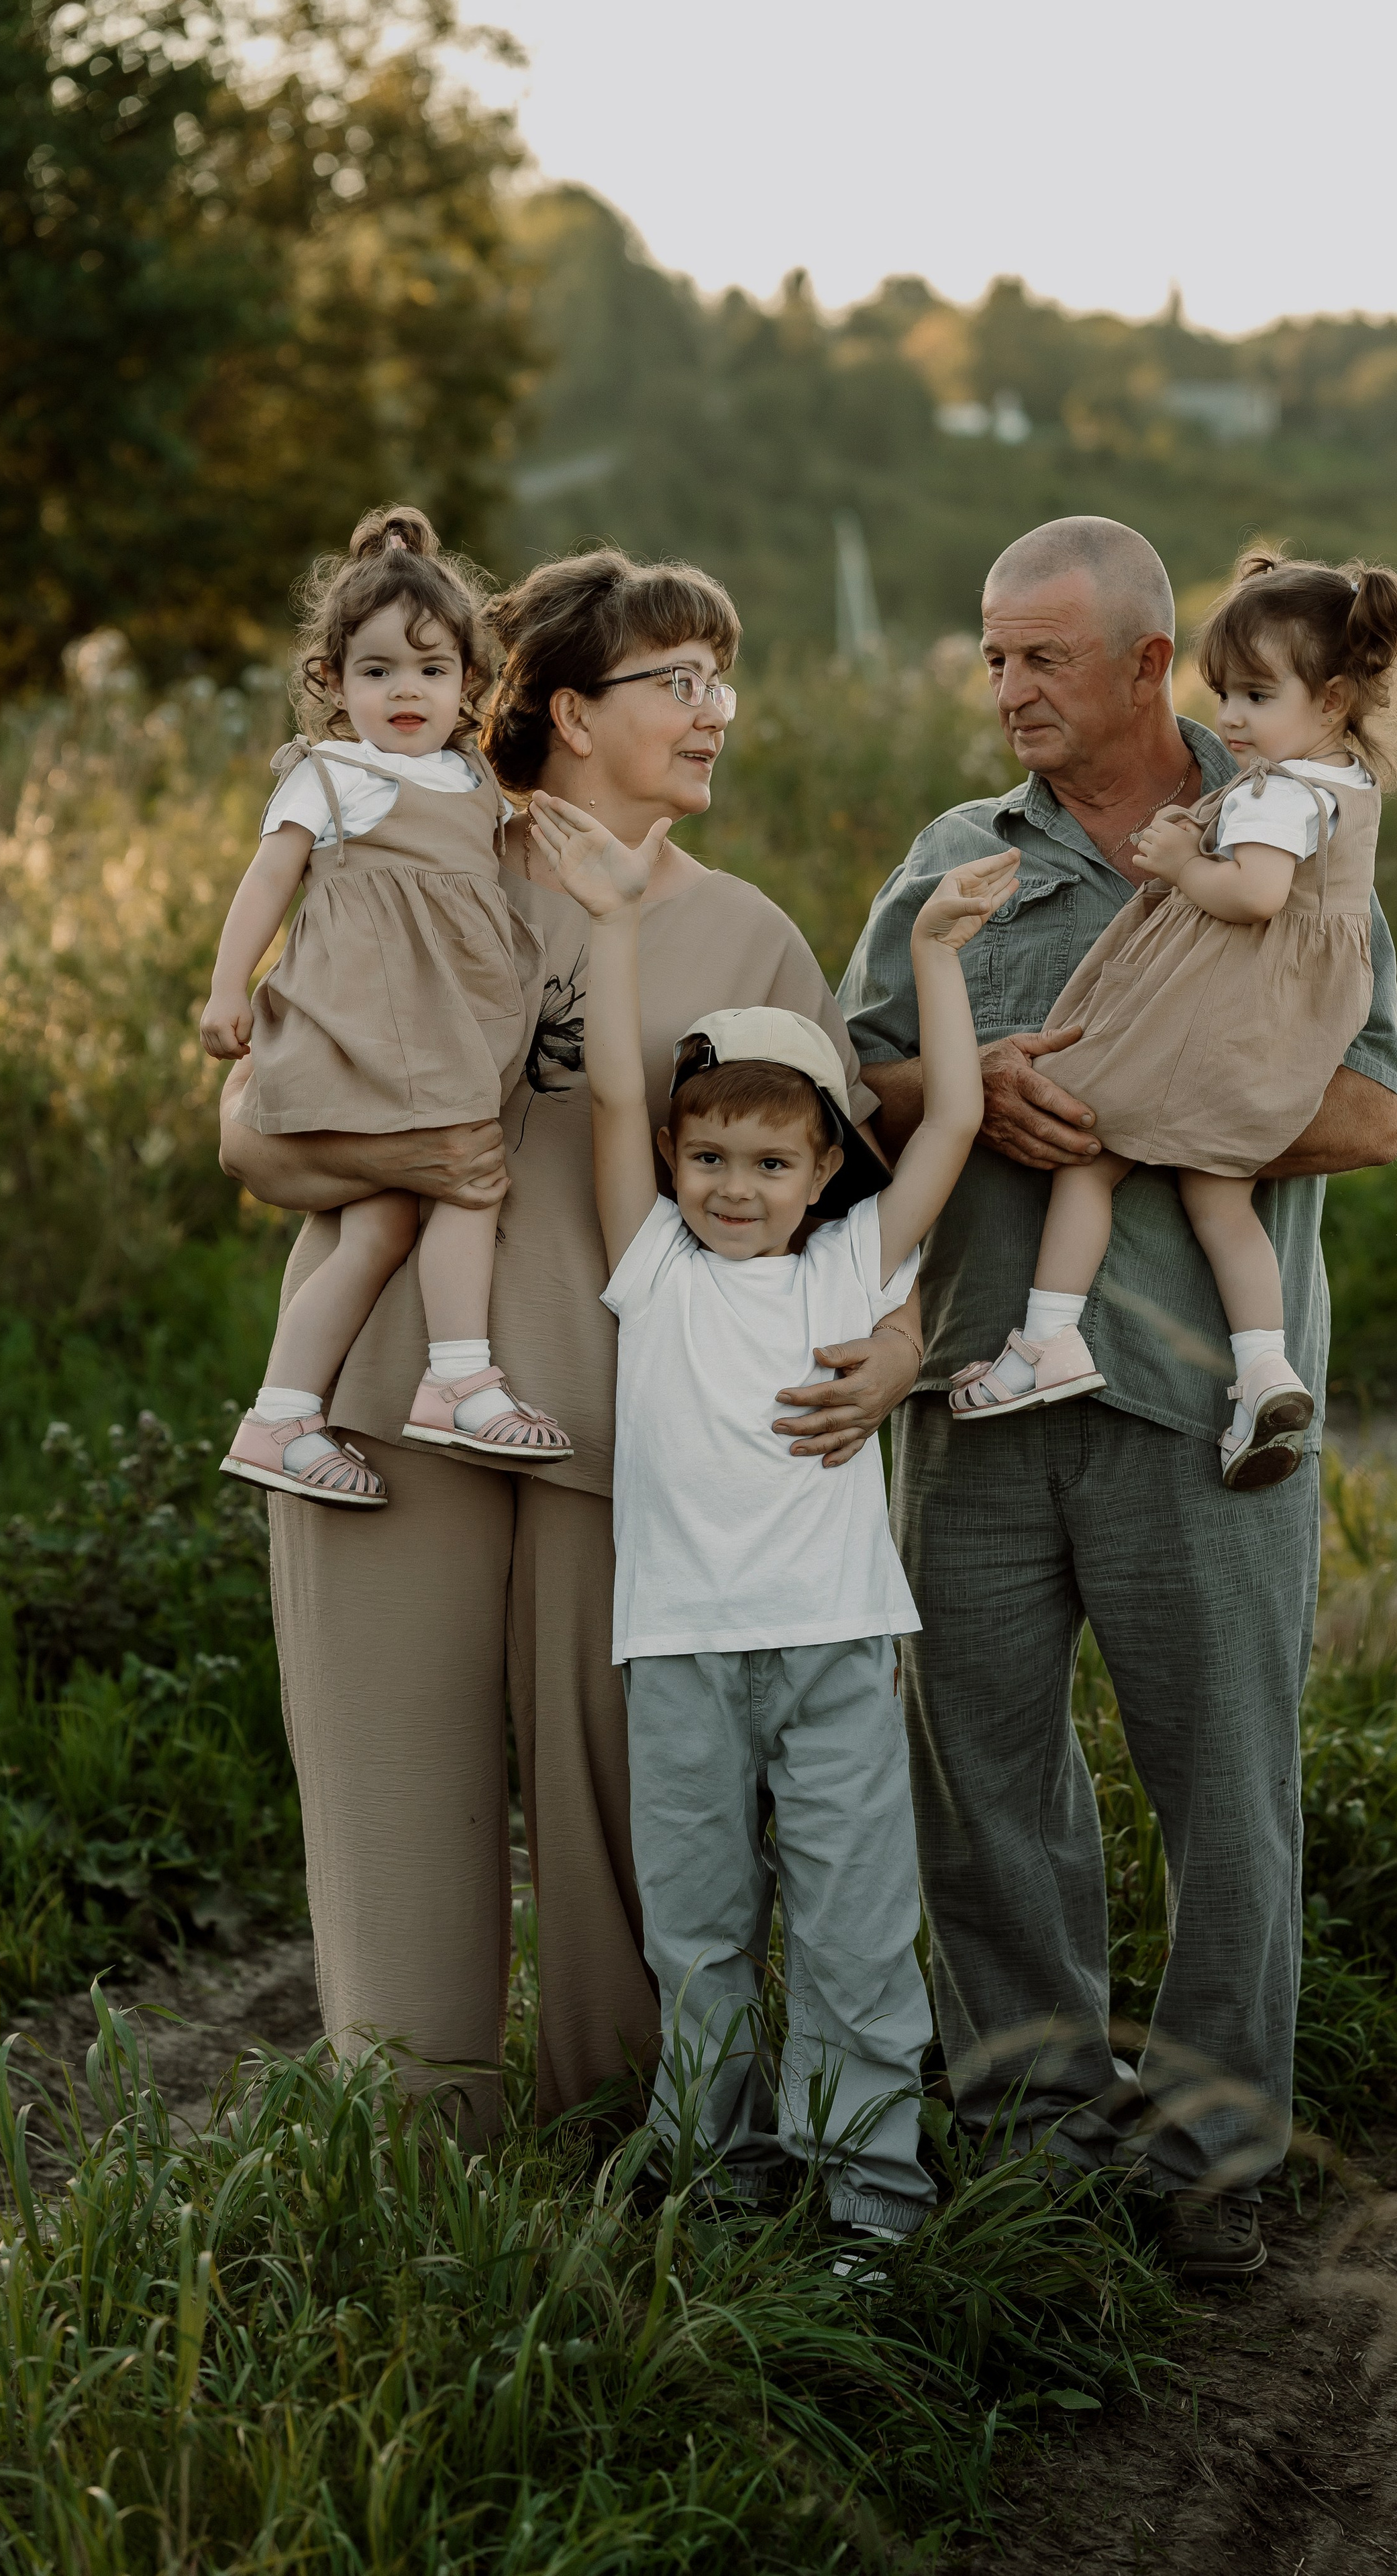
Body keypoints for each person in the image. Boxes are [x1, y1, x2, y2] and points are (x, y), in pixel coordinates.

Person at [219, 545, 923, 2144]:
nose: (712, 711)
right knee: (395, 1827)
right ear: (557, 709)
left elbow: (843, 1209)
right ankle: (420, 2189)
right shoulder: (404, 843)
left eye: (716, 678)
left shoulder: (747, 935)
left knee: (638, 1847)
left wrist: (900, 1345)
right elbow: (255, 1140)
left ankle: (636, 2176)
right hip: (382, 1410)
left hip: (638, 1440)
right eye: (674, 681)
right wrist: (421, 1162)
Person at [837, 517, 1397, 2282]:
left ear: (1154, 667)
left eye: (1040, 658)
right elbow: (861, 1080)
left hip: (1197, 1422)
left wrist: (1155, 1102)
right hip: (970, 1400)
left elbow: (1370, 1111)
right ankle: (1034, 2141)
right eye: (992, 656)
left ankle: (1213, 2160)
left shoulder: (1284, 827)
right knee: (983, 1790)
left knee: (1226, 1791)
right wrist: (969, 1088)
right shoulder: (957, 855)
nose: (1004, 688)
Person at [533, 771, 1015, 2249]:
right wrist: (611, 922)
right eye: (707, 1158)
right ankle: (714, 2188)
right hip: (678, 1656)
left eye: (765, 1161)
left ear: (819, 1174)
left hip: (832, 1656)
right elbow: (616, 1091)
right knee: (699, 1941)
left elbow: (952, 1128)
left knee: (858, 1934)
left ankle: (867, 2203)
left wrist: (934, 957)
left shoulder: (850, 1268)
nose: (731, 1185)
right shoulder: (655, 1267)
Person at [947, 549, 1397, 1495]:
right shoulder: (1344, 785)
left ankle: (1048, 1339)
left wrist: (1176, 861)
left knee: (1088, 1145)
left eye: (1255, 696)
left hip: (1225, 1012)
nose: (1233, 720)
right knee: (1220, 1196)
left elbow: (1250, 898)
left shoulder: (1280, 794)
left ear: (1331, 701)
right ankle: (1263, 1371)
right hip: (1281, 1024)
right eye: (1226, 695)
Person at [205, 505, 568, 1506]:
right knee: (468, 1180)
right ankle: (459, 1376)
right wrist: (224, 988)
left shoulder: (469, 779)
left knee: (381, 1228)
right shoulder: (335, 777)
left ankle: (281, 1415)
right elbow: (266, 882)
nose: (403, 691)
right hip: (370, 1028)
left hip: (441, 1028)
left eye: (429, 670)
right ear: (332, 683)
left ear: (467, 686)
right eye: (375, 672)